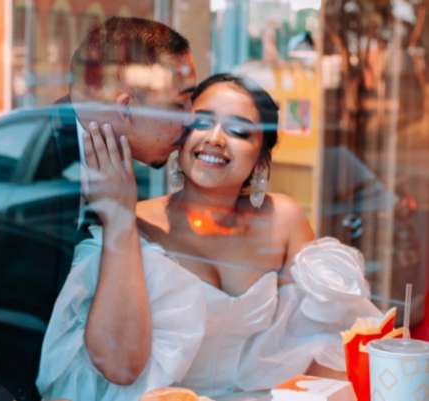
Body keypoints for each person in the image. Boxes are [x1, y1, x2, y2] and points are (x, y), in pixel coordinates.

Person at [0, 17, 196, 401]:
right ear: (126, 110)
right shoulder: (12, 160)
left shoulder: (108, 171)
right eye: (180, 105)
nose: (192, 121)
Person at [36, 74, 382, 400]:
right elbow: (117, 364)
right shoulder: (131, 222)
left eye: (239, 131)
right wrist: (120, 220)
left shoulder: (284, 221)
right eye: (201, 122)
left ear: (261, 161)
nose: (215, 138)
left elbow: (335, 337)